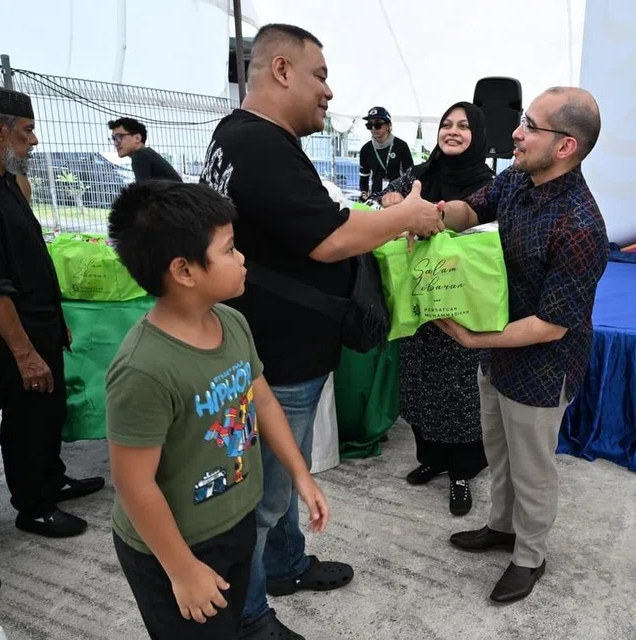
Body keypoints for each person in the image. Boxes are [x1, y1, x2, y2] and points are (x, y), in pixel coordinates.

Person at [199, 24, 444, 638]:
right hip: (273, 359)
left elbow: (307, 223)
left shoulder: (238, 136)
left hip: (277, 348)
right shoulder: (260, 145)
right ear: (281, 70)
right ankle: (249, 616)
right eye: (321, 76)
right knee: (262, 495)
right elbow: (328, 236)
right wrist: (405, 217)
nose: (329, 93)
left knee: (282, 472)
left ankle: (285, 565)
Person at [105, 180, 329, 640]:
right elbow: (134, 483)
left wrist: (299, 474)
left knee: (229, 623)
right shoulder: (144, 369)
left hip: (235, 519)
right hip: (173, 545)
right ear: (185, 271)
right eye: (229, 250)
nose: (242, 258)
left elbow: (261, 398)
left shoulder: (232, 322)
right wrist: (183, 570)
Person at [435, 87, 608, 603]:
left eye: (530, 125)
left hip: (542, 364)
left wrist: (472, 338)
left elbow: (553, 325)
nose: (515, 131)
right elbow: (473, 208)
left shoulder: (581, 225)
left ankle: (530, 555)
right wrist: (429, 215)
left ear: (564, 147)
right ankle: (502, 527)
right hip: (498, 350)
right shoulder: (514, 179)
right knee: (499, 450)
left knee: (533, 469)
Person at [0, 85, 104, 538]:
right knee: (27, 420)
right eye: (27, 131)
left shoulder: (6, 183)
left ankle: (52, 480)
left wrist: (57, 321)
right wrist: (23, 352)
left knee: (49, 411)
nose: (34, 141)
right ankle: (33, 506)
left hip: (41, 327)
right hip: (16, 338)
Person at [380, 101, 495, 515]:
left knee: (458, 388)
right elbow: (388, 192)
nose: (453, 131)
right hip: (419, 293)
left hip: (461, 300)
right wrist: (393, 197)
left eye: (463, 126)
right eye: (447, 124)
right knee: (420, 379)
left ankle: (462, 471)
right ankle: (431, 457)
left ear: (477, 135)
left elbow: (491, 231)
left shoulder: (487, 183)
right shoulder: (424, 174)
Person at [358, 106, 413, 199]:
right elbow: (364, 178)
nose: (373, 128)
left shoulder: (401, 146)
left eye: (378, 124)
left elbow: (410, 176)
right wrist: (364, 194)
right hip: (375, 198)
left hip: (397, 198)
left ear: (388, 125)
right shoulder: (365, 149)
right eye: (369, 125)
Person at [109, 117, 183, 183]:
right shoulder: (147, 154)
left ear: (137, 138)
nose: (116, 143)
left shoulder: (140, 156)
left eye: (119, 137)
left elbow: (142, 193)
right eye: (114, 139)